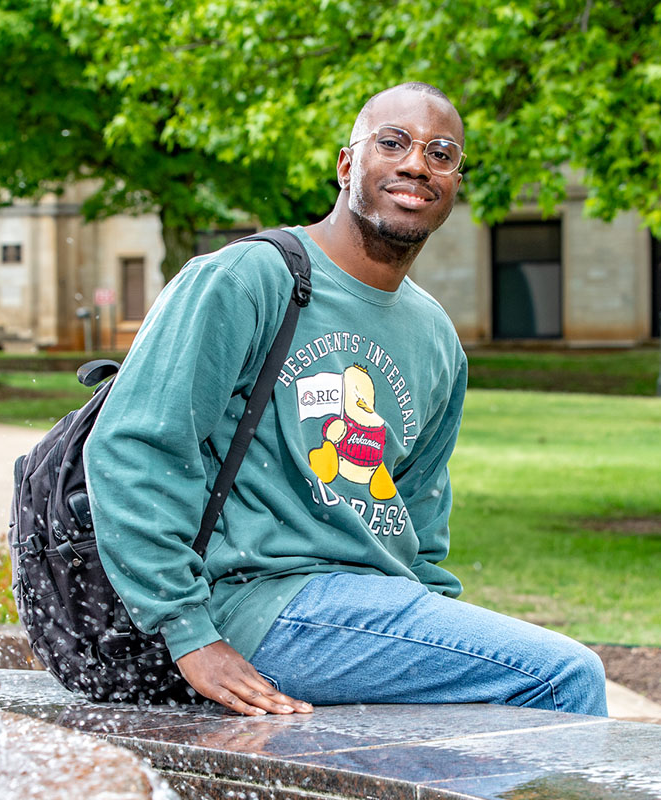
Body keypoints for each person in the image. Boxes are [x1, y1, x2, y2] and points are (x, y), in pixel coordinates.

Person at [84, 82, 608, 718]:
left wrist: (440, 624)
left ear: (455, 182)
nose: (418, 163)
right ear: (346, 164)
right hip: (260, 601)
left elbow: (418, 512)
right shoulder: (247, 279)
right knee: (563, 677)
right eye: (393, 144)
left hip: (369, 609)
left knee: (499, 709)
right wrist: (190, 633)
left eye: (442, 154)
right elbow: (133, 446)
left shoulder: (436, 336)